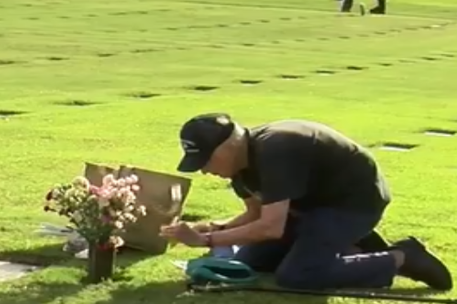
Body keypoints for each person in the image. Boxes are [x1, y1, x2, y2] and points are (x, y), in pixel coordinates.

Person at [161, 113, 452, 292]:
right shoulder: (240, 167)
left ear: (229, 145)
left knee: (298, 276)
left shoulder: (276, 149)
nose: (203, 170)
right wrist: (212, 227)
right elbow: (256, 213)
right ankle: (355, 246)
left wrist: (207, 240)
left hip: (352, 203)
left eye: (206, 160)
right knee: (251, 262)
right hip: (308, 209)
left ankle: (403, 257)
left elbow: (270, 227)